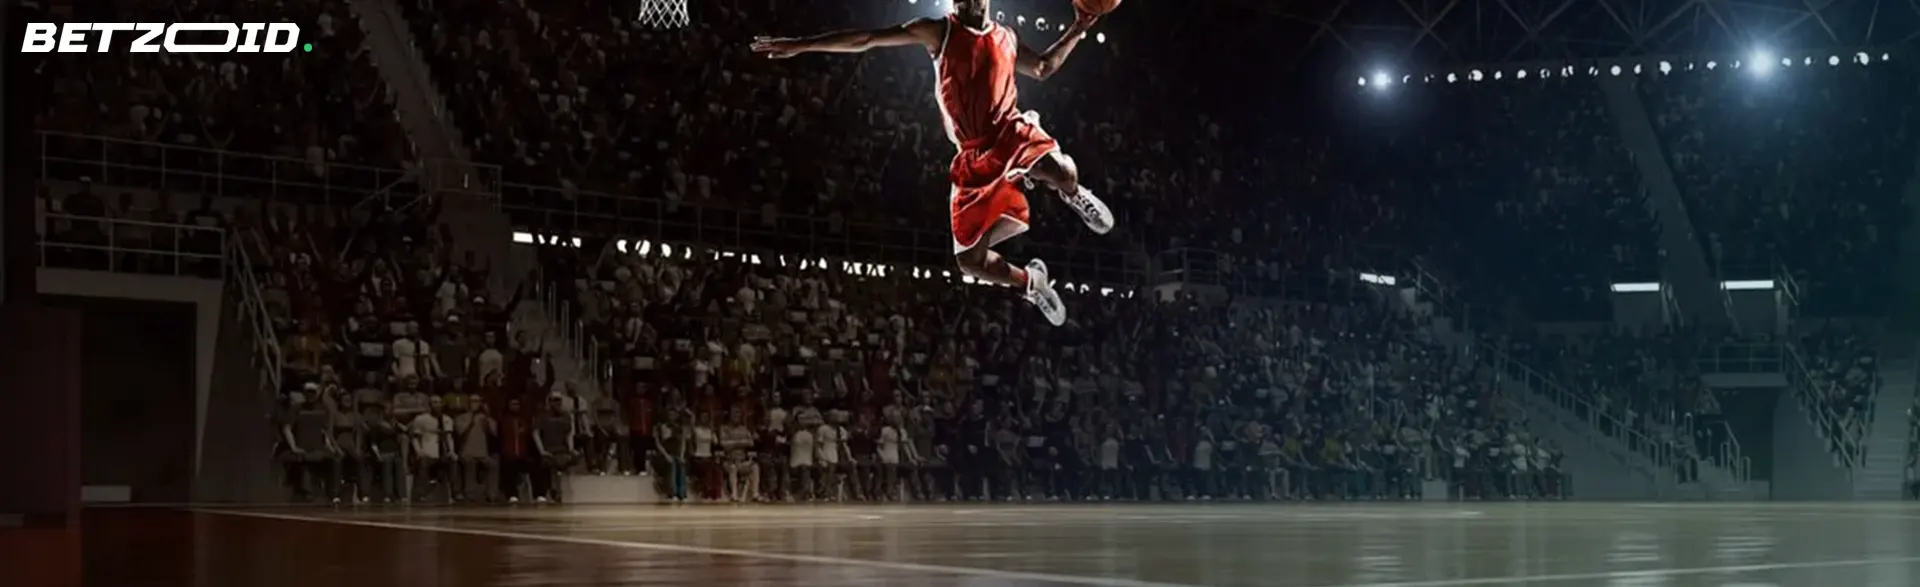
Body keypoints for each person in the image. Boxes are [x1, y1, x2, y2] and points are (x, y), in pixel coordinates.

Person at [750, 0, 1115, 326]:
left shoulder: (1006, 36)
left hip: (1009, 131)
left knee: (1062, 171)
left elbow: (1043, 68)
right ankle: (1030, 283)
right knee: (970, 262)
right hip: (972, 154)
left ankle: (1073, 194)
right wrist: (802, 45)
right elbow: (867, 39)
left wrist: (1078, 29)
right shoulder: (939, 31)